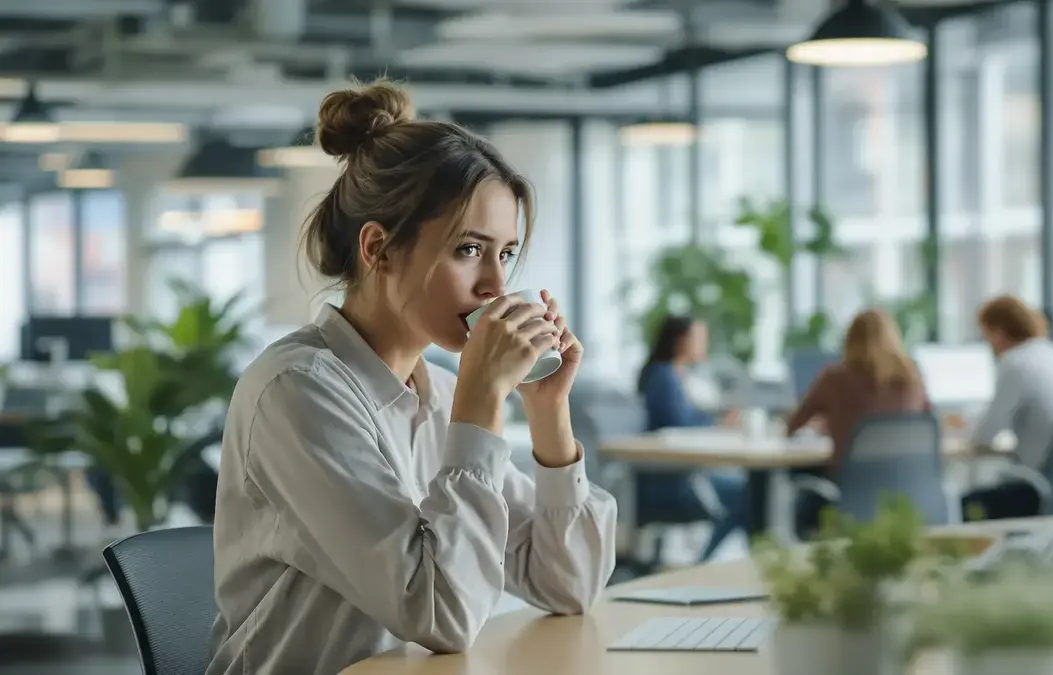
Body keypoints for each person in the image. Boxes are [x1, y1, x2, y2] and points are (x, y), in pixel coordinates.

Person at [206, 79, 617, 675]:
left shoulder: (443, 394)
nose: (495, 288)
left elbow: (569, 585)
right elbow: (442, 613)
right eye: (469, 249)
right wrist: (479, 410)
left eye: (505, 254)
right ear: (378, 249)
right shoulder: (297, 391)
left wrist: (548, 413)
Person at [784, 308, 931, 535]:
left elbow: (793, 425)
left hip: (850, 500)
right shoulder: (913, 376)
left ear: (849, 339)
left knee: (801, 491)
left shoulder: (835, 378)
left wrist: (828, 421)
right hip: (908, 499)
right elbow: (927, 421)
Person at [958, 295, 1053, 520]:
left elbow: (985, 436)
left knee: (962, 506)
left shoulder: (1015, 363)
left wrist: (965, 427)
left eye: (986, 335)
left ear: (998, 331)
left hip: (1035, 490)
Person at [636, 316, 747, 562]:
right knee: (750, 495)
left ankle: (706, 561)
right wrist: (718, 424)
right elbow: (677, 425)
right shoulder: (665, 377)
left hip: (684, 474)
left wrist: (716, 422)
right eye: (698, 338)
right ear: (680, 341)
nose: (703, 344)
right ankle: (705, 562)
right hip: (674, 481)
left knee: (750, 492)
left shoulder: (676, 375)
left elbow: (686, 419)